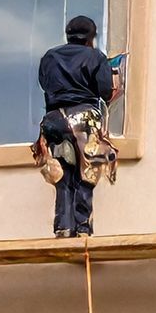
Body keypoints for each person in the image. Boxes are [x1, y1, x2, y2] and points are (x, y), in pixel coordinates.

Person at [36, 15, 117, 237]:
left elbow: (45, 85)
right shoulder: (95, 57)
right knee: (86, 173)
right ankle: (82, 228)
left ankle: (63, 226)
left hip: (55, 121)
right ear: (90, 38)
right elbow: (105, 92)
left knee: (63, 175)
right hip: (83, 119)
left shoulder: (49, 57)